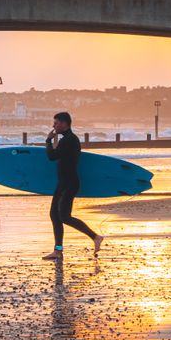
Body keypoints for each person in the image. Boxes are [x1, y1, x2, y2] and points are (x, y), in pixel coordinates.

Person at [42, 111, 103, 261]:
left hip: (68, 183)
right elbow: (60, 155)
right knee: (56, 216)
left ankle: (95, 237)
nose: (53, 125)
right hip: (66, 182)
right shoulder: (70, 139)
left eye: (56, 123)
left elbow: (52, 156)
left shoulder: (69, 140)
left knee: (63, 217)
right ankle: (58, 250)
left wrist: (48, 141)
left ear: (64, 123)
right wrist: (55, 142)